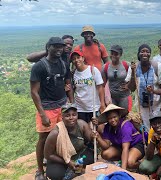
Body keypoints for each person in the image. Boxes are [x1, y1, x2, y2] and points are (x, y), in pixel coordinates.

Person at [30, 37, 74, 180]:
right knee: (43, 138)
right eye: (55, 46)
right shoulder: (40, 66)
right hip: (47, 107)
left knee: (62, 135)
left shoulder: (63, 64)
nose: (59, 49)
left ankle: (61, 162)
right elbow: (34, 92)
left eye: (60, 47)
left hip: (62, 105)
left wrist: (71, 104)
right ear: (48, 47)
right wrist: (42, 114)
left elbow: (68, 85)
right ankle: (39, 171)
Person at [44, 104, 94, 180]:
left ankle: (75, 169)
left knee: (91, 157)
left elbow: (91, 139)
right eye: (67, 116)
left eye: (74, 115)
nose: (71, 118)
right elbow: (48, 155)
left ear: (77, 115)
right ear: (62, 117)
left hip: (77, 154)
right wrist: (67, 162)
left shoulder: (81, 124)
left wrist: (94, 135)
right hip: (60, 159)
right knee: (55, 175)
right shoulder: (55, 133)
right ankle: (71, 169)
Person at [92, 104, 145, 170]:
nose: (112, 120)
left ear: (119, 116)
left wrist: (123, 170)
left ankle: (139, 164)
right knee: (105, 154)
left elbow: (125, 148)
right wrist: (98, 137)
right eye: (110, 118)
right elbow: (106, 146)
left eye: (114, 117)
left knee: (130, 163)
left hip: (136, 145)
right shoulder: (108, 127)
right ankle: (124, 160)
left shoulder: (125, 126)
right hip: (121, 147)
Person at [127, 44, 161, 131]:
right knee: (146, 128)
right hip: (142, 106)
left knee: (158, 127)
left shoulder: (157, 66)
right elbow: (132, 88)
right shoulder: (133, 67)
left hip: (156, 104)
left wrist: (153, 91)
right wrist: (133, 72)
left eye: (147, 51)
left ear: (150, 54)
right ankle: (148, 143)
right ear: (138, 54)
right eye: (142, 51)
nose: (145, 54)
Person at [70, 50, 106, 123]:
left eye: (78, 57)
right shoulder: (73, 74)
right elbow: (73, 89)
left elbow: (100, 87)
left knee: (96, 128)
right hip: (80, 108)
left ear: (83, 58)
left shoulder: (92, 70)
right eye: (74, 59)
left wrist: (102, 104)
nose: (76, 60)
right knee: (84, 129)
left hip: (94, 107)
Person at [101, 45, 132, 111]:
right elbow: (103, 85)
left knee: (124, 115)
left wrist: (128, 85)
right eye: (112, 53)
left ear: (120, 55)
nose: (113, 56)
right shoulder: (105, 67)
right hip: (111, 97)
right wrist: (104, 100)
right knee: (113, 117)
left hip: (124, 96)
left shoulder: (126, 65)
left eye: (116, 54)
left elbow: (133, 78)